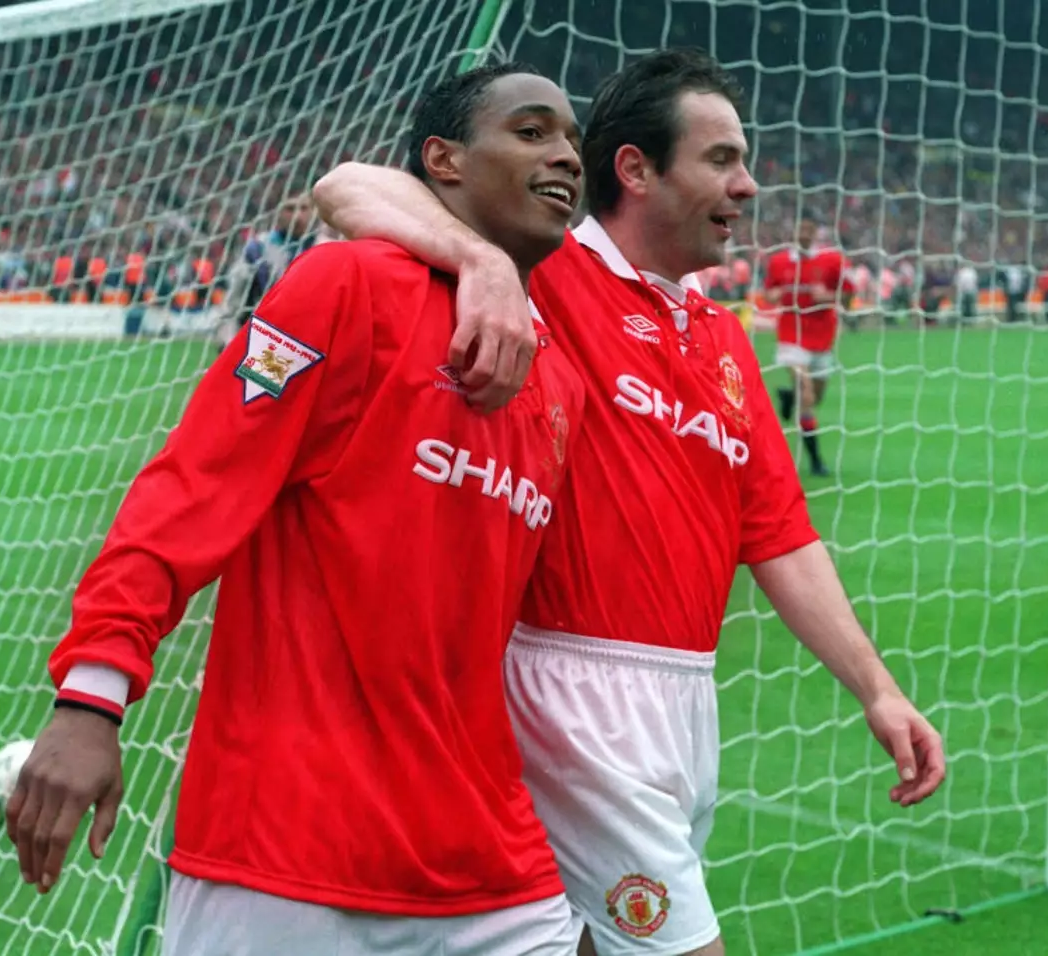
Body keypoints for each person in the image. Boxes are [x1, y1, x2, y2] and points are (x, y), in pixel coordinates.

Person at [313, 48, 945, 956]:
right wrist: (482, 264)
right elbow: (346, 186)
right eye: (721, 159)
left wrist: (877, 692)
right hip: (569, 696)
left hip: (685, 701)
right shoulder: (549, 268)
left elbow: (780, 535)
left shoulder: (722, 336)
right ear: (637, 170)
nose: (748, 184)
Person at [5, 63, 590, 956]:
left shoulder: (557, 375)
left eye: (575, 139)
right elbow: (194, 487)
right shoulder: (344, 287)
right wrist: (92, 698)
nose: (567, 156)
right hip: (286, 851)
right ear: (442, 160)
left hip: (488, 858)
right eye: (533, 131)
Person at [763, 208, 851, 477]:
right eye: (800, 228)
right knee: (808, 394)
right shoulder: (779, 261)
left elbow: (848, 296)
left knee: (815, 396)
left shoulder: (831, 260)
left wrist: (828, 297)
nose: (804, 234)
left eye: (809, 229)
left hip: (822, 337)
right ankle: (816, 461)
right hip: (791, 336)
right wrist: (773, 295)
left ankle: (788, 396)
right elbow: (768, 293)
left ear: (816, 232)